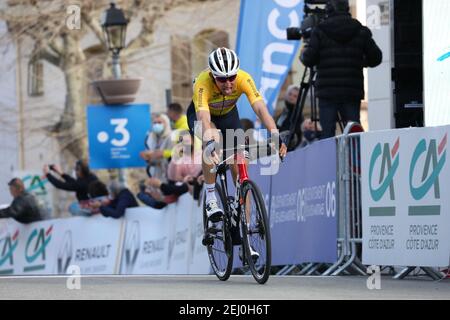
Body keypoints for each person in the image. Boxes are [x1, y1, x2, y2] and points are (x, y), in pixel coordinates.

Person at [186, 47, 287, 259]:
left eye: (231, 77)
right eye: (223, 79)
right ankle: (211, 197)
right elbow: (204, 118)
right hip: (204, 118)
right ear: (213, 76)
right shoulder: (203, 83)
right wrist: (210, 143)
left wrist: (275, 135)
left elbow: (261, 109)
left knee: (241, 170)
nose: (229, 83)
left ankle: (247, 236)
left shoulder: (243, 78)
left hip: (229, 116)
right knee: (213, 139)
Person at [300, 0, 382, 139]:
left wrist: (304, 53)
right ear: (347, 8)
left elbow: (308, 59)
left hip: (327, 91)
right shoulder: (360, 30)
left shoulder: (319, 31)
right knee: (354, 134)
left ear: (329, 9)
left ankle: (329, 160)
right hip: (351, 90)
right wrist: (360, 62)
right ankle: (356, 160)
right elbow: (376, 58)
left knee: (327, 135)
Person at [140, 113, 173, 181]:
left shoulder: (172, 136)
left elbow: (180, 154)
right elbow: (151, 154)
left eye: (159, 122)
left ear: (166, 123)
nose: (156, 125)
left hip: (169, 173)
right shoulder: (151, 137)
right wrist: (147, 157)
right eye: (154, 123)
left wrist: (163, 154)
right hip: (155, 173)